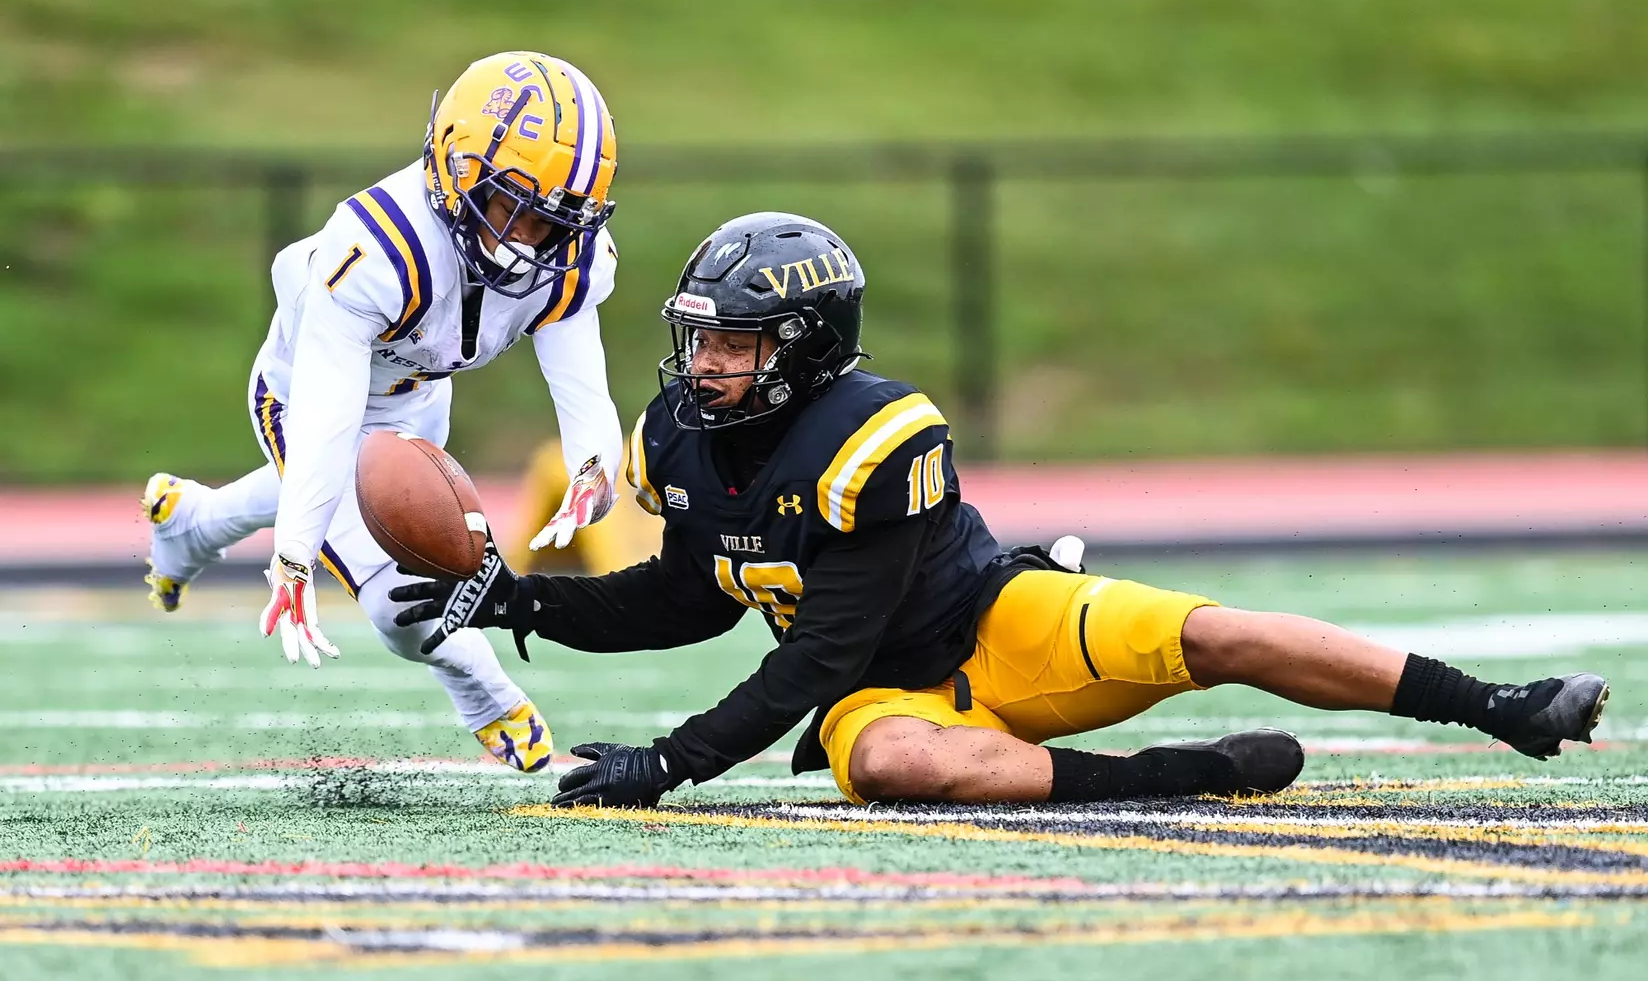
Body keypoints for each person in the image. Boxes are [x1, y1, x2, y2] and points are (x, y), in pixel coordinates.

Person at [390, 211, 1611, 806]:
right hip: (891, 687)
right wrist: (520, 603)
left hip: (997, 620)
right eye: (699, 340)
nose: (703, 365)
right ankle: (1165, 777)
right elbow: (684, 595)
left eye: (734, 344)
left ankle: (1500, 706)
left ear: (804, 348)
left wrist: (672, 760)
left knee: (1214, 632)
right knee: (889, 764)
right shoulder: (683, 440)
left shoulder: (874, 435)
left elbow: (823, 640)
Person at [142, 51, 625, 774]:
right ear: (456, 169)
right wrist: (296, 553)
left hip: (418, 399)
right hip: (306, 395)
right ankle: (487, 696)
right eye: (512, 208)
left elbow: (582, 384)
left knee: (384, 503)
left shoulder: (563, 253)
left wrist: (594, 469)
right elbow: (331, 422)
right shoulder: (377, 250)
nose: (529, 241)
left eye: (552, 221)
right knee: (404, 605)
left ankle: (191, 525)